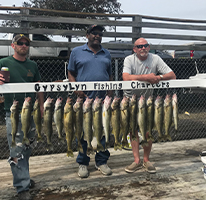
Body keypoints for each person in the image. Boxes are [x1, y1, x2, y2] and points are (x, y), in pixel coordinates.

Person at [0, 34, 44, 200]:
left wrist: (41, 106)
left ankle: (23, 177)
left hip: (30, 113)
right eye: (20, 43)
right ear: (13, 45)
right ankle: (22, 188)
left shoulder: (32, 65)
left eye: (26, 43)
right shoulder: (3, 63)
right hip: (13, 113)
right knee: (16, 149)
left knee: (27, 146)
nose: (24, 45)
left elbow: (39, 86)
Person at [122, 37, 176, 174]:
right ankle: (136, 161)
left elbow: (172, 75)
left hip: (148, 101)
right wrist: (146, 78)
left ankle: (146, 160)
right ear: (134, 49)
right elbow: (125, 77)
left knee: (147, 131)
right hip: (131, 99)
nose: (143, 48)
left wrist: (159, 78)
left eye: (145, 45)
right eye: (139, 46)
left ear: (149, 47)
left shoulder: (155, 58)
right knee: (133, 130)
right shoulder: (129, 59)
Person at [68, 24, 113, 178]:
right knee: (82, 131)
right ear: (87, 35)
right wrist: (76, 88)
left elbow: (109, 74)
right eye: (94, 33)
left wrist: (110, 92)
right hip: (84, 100)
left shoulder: (106, 53)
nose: (97, 36)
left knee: (101, 130)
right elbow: (71, 73)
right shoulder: (76, 52)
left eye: (100, 34)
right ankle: (83, 162)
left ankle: (101, 161)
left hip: (102, 100)